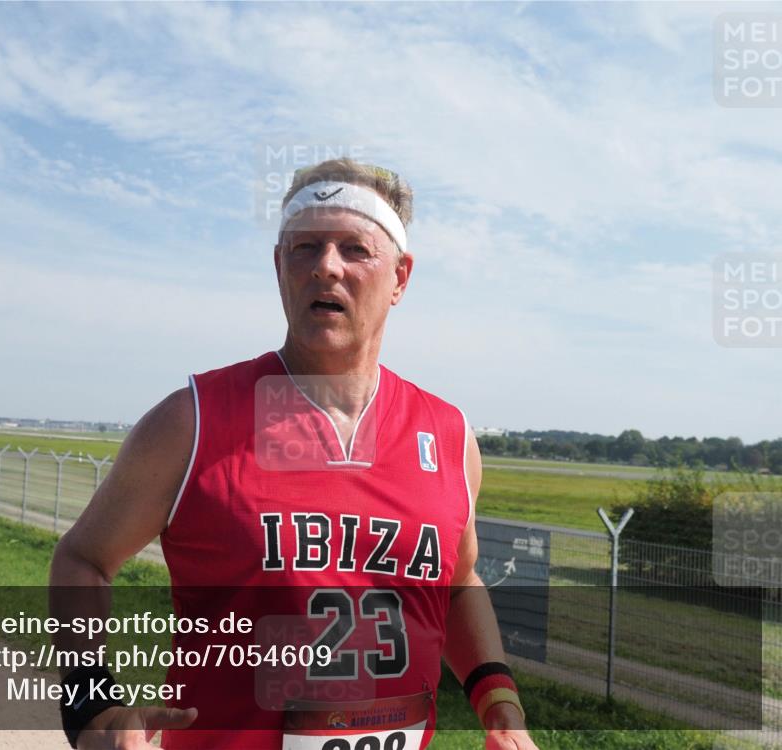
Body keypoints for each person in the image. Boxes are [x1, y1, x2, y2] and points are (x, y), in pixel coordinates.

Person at [49, 158, 539, 750]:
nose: (325, 267)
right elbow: (84, 557)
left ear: (401, 277)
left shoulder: (450, 436)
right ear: (279, 267)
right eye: (305, 248)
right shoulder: (193, 420)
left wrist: (499, 701)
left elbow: (458, 582)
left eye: (354, 249)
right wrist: (90, 706)